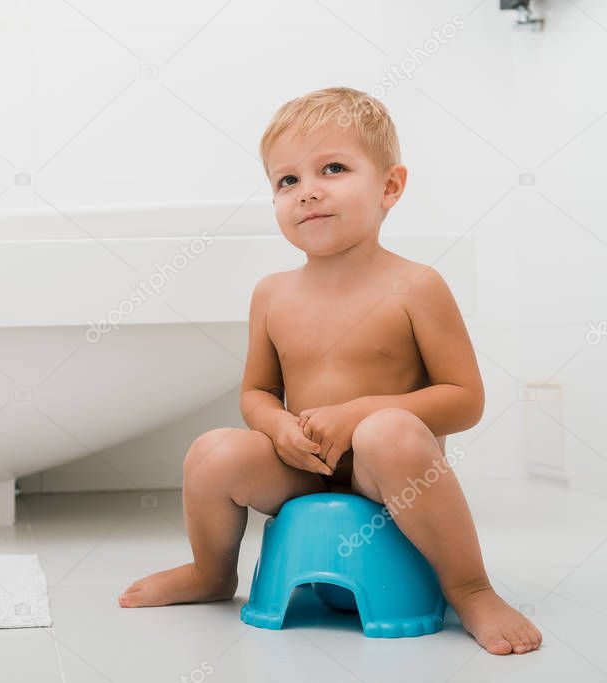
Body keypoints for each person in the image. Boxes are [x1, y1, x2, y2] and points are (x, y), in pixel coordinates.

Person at [117, 87, 542, 656]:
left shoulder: (416, 286)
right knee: (212, 451)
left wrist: (360, 414)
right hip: (302, 467)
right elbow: (257, 392)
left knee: (385, 432)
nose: (307, 191)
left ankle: (471, 588)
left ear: (390, 186)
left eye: (333, 168)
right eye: (286, 181)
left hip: (386, 474)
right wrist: (279, 430)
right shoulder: (271, 294)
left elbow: (466, 399)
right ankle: (211, 572)